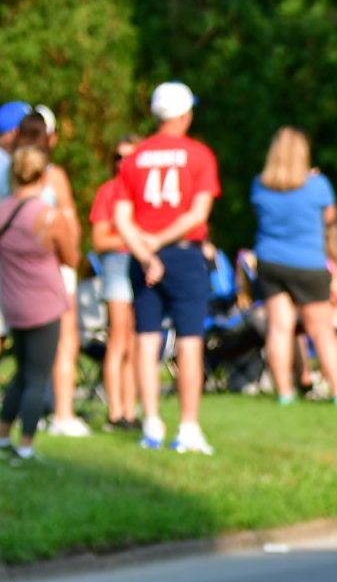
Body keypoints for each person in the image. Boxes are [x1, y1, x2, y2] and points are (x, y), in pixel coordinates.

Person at [116, 81, 221, 454]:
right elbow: (197, 213)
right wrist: (158, 246)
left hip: (144, 255)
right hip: (182, 254)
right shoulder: (198, 155)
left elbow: (121, 216)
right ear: (183, 114)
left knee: (146, 340)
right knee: (190, 341)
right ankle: (188, 426)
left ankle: (151, 423)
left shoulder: (134, 156)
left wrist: (145, 253)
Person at [250, 127, 337, 406]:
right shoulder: (318, 185)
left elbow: (259, 213)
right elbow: (329, 217)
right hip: (308, 264)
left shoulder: (259, 184)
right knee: (322, 330)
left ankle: (284, 392)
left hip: (270, 261)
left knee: (279, 328)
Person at [1, 139, 80, 461]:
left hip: (13, 304)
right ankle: (27, 445)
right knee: (37, 376)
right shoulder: (48, 217)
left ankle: (4, 436)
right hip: (45, 304)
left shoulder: (2, 210)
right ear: (42, 177)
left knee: (21, 372)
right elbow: (72, 258)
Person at [88, 141, 140, 429]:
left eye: (129, 157)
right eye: (118, 157)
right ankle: (115, 411)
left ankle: (130, 411)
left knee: (135, 342)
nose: (123, 163)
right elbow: (99, 240)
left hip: (142, 266)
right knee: (119, 338)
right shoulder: (108, 191)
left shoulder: (144, 191)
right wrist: (133, 240)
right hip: (118, 265)